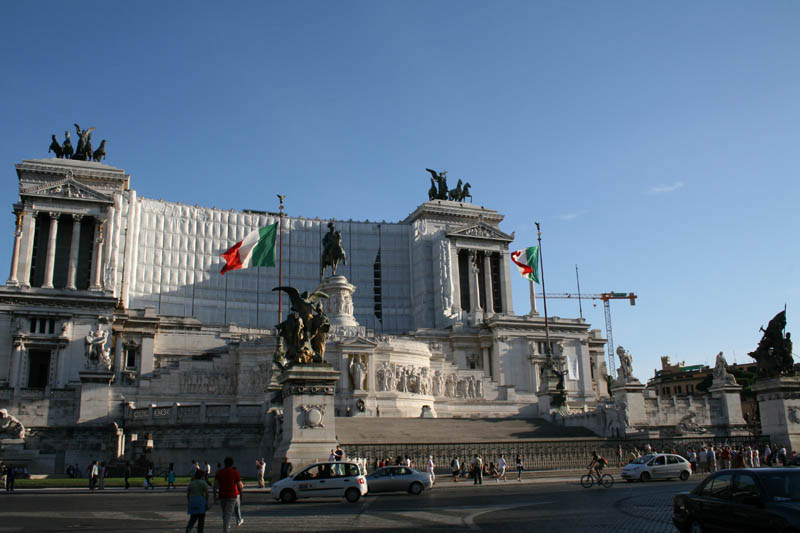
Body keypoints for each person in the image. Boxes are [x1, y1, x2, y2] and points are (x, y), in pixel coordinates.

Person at [213, 457, 243, 532]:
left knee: (225, 514)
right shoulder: (235, 472)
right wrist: (241, 496)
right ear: (232, 464)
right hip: (232, 496)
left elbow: (215, 486)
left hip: (222, 496)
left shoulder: (219, 472)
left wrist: (215, 496)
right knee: (227, 515)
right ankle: (226, 530)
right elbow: (240, 486)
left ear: (224, 463)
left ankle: (226, 528)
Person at [186, 469, 209, 533]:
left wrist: (189, 501)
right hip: (201, 501)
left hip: (193, 500)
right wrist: (206, 502)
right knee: (201, 519)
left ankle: (189, 529)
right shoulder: (203, 483)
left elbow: (188, 494)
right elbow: (207, 493)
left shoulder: (191, 483)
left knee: (193, 518)